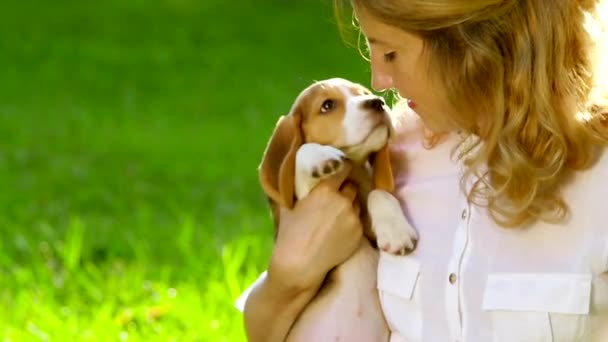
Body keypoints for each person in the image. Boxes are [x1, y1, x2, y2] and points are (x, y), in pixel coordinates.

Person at [241, 0, 608, 341]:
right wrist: (289, 275)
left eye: (390, 53)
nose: (378, 82)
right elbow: (264, 328)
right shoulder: (392, 152)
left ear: (470, 49)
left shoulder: (598, 175)